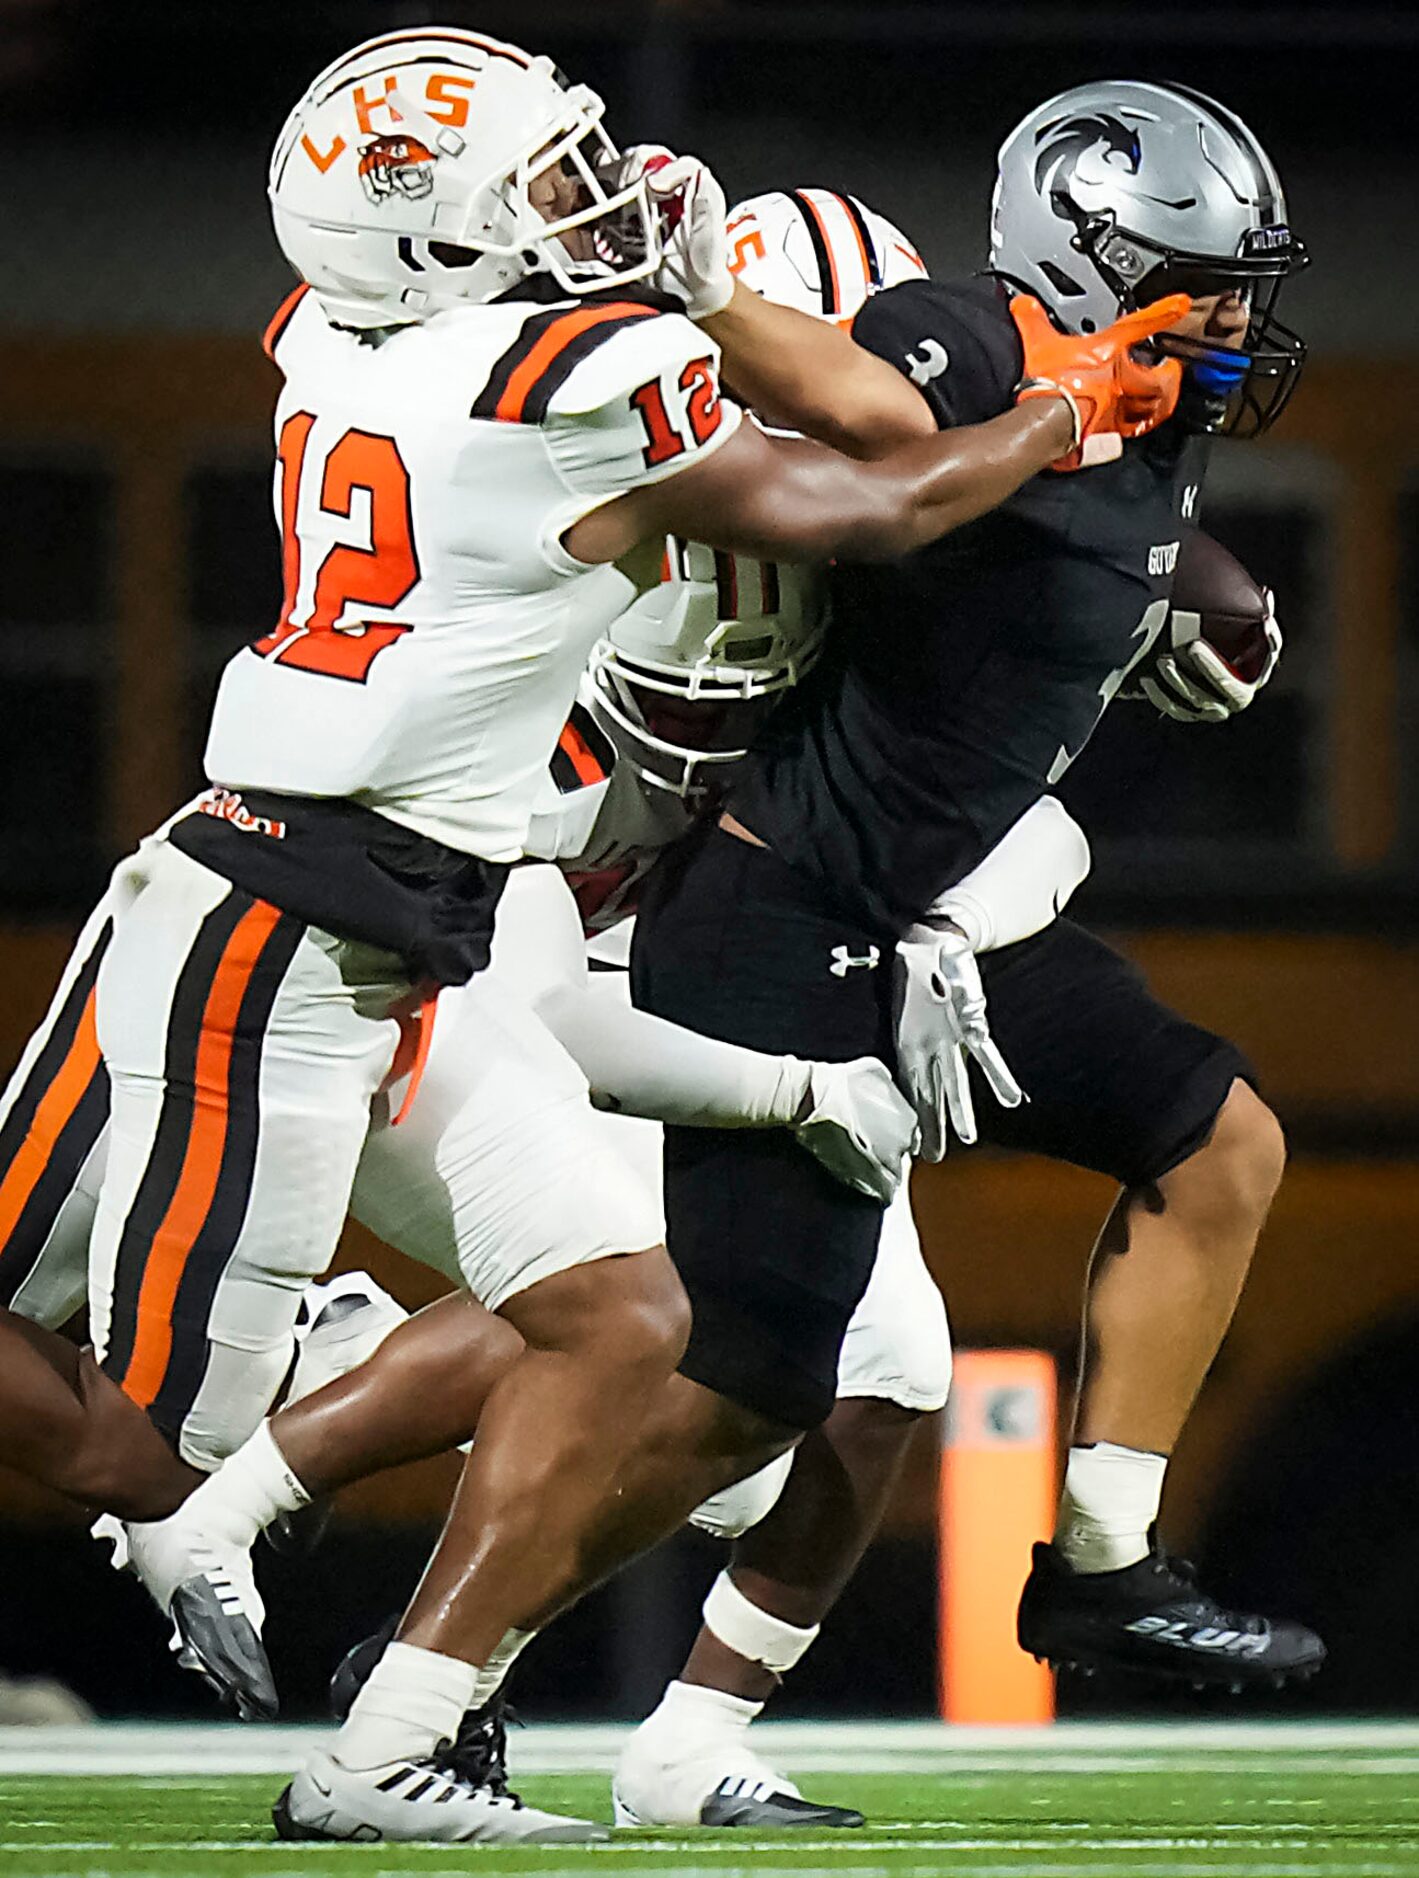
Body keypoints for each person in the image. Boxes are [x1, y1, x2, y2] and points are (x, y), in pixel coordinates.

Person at [29, 23, 1180, 1845]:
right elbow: (881, 480)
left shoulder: (365, 337)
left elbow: (967, 722)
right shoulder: (588, 423)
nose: (605, 208)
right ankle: (270, 1481)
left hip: (411, 933)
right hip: (416, 941)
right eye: (551, 191)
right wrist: (1056, 414)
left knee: (719, 1341)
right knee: (155, 1430)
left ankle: (437, 1716)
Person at [625, 83, 1324, 1779]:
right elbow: (858, 402)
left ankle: (1104, 1565)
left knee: (1216, 1141)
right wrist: (706, 287)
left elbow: (1062, 552)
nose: (1235, 316)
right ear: (1082, 261)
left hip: (950, 922)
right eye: (1196, 278)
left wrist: (1164, 611)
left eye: (1243, 281)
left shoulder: (1149, 405)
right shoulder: (971, 340)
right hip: (791, 914)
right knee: (746, 1391)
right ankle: (435, 1646)